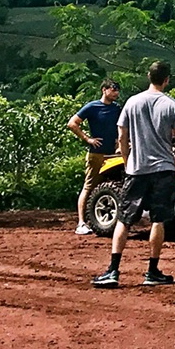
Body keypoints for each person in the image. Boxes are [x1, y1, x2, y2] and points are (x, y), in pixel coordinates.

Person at [93, 60, 175, 288]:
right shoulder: (173, 105)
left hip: (137, 168)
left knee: (125, 219)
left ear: (149, 76)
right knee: (158, 220)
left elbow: (122, 138)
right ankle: (152, 271)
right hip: (164, 169)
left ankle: (113, 270)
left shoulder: (132, 102)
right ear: (167, 80)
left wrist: (128, 163)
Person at [66, 78, 122, 236]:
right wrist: (88, 139)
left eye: (117, 90)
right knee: (89, 186)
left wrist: (121, 144)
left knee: (110, 187)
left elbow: (121, 127)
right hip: (96, 154)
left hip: (114, 154)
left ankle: (103, 219)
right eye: (113, 89)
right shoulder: (92, 107)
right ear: (104, 90)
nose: (116, 93)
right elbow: (72, 123)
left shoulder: (117, 108)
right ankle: (81, 222)